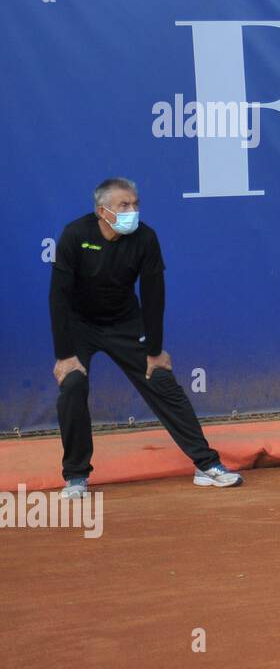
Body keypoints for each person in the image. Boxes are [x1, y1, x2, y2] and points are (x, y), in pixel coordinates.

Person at [50, 178, 243, 495]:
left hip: (125, 322)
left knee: (162, 380)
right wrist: (65, 354)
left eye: (135, 204)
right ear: (103, 211)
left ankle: (206, 465)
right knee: (72, 385)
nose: (132, 210)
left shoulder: (146, 238)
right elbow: (57, 296)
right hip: (79, 325)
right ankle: (75, 476)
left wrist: (154, 350)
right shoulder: (75, 235)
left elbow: (154, 295)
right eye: (124, 205)